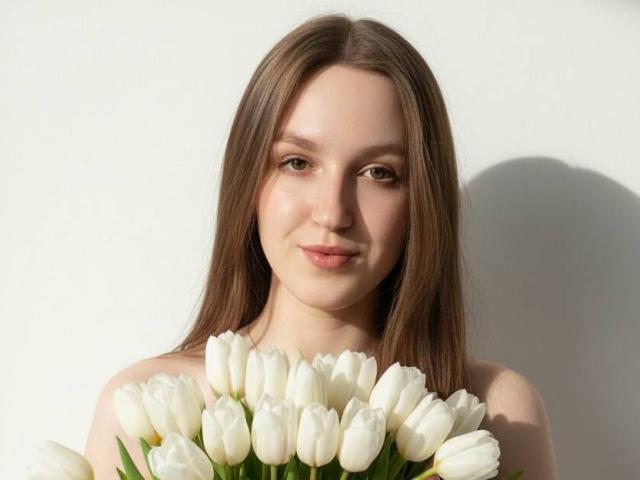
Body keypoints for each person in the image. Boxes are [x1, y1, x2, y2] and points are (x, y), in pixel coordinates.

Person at [84, 13, 559, 479]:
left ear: (422, 201)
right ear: (248, 179)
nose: (333, 213)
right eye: (297, 163)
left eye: (379, 173)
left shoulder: (494, 415)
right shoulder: (146, 408)